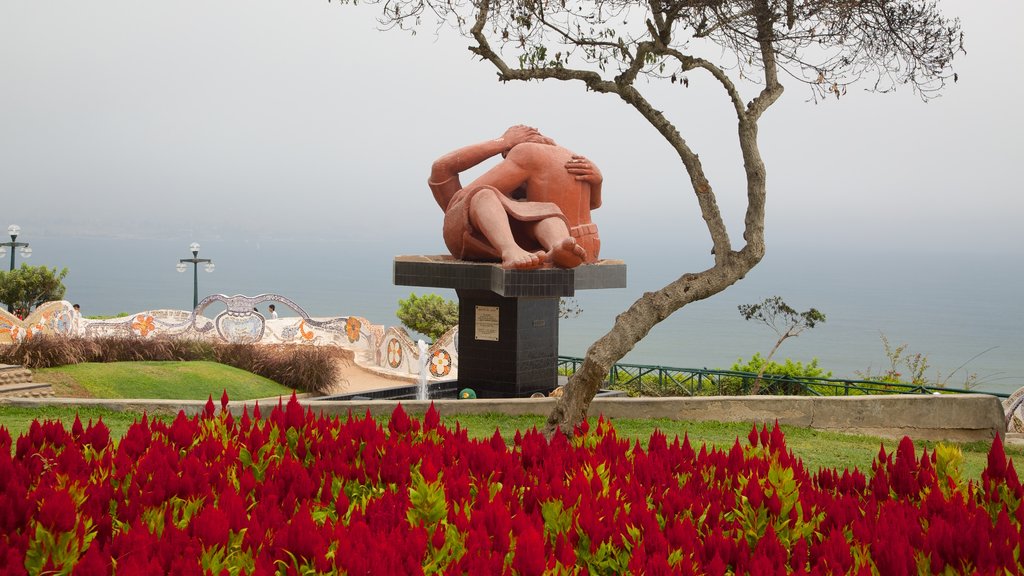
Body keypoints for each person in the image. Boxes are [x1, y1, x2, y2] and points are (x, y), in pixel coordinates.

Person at [429, 125, 603, 269]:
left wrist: (503, 142)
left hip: (533, 246)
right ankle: (532, 247)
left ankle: (548, 246)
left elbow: (445, 173)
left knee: (543, 210)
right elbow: (593, 204)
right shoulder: (570, 158)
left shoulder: (527, 157)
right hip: (582, 244)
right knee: (489, 197)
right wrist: (598, 183)